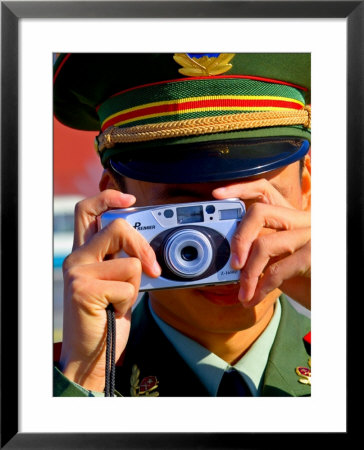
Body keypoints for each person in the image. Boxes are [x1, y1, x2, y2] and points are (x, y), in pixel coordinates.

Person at [53, 53, 311, 397]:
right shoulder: (51, 387)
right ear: (114, 202)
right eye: (186, 214)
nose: (226, 252)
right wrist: (87, 378)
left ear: (305, 189)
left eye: (247, 210)